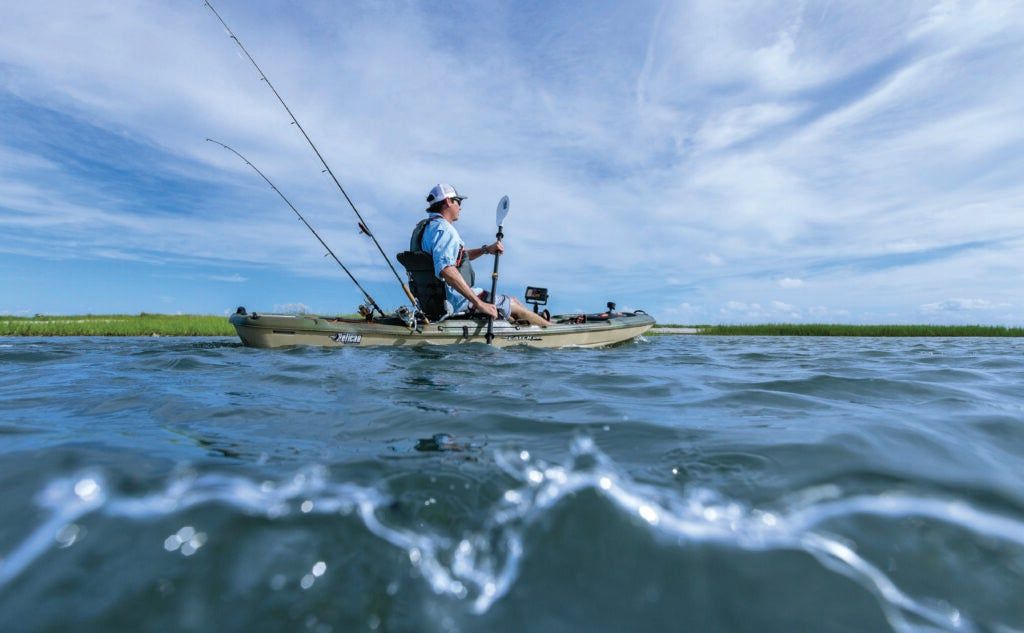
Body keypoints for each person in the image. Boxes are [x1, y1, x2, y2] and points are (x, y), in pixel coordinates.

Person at [416, 183, 551, 326]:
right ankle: (554, 331)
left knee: (509, 308)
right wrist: (479, 303)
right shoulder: (445, 230)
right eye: (458, 201)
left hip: (433, 301)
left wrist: (486, 250)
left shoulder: (426, 228)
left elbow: (457, 257)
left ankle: (519, 326)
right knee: (513, 305)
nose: (460, 207)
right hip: (457, 301)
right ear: (448, 202)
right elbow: (446, 269)